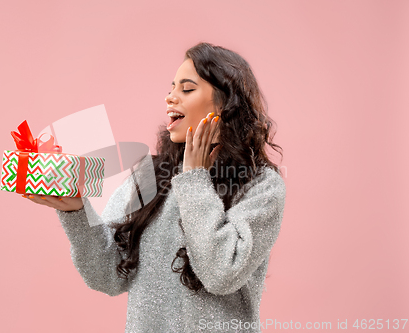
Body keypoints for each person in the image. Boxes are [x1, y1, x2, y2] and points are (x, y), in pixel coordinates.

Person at [22, 42, 286, 333]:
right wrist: (77, 212)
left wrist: (194, 179)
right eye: (171, 87)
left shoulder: (262, 185)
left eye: (186, 89)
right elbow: (108, 276)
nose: (170, 97)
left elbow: (220, 274)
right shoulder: (150, 175)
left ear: (225, 104)